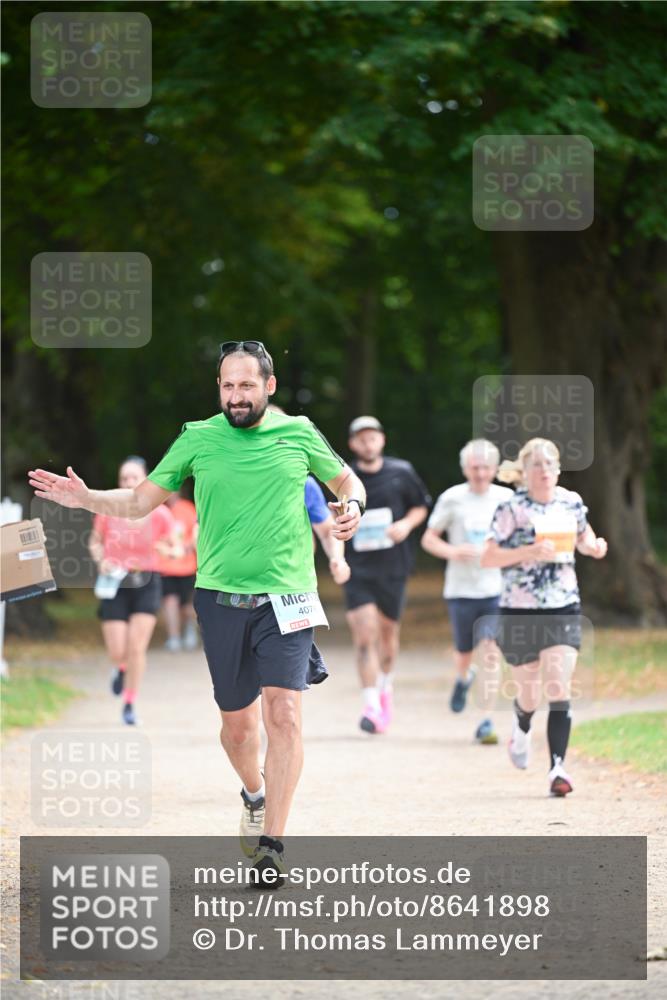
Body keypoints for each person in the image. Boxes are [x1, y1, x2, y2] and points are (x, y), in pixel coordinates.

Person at [29, 341, 364, 880]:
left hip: (289, 596)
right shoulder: (199, 438)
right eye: (227, 385)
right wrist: (87, 498)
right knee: (237, 729)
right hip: (219, 598)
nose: (236, 396)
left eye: (247, 385)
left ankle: (272, 846)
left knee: (285, 714)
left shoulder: (299, 433)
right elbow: (140, 503)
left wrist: (353, 506)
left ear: (269, 387)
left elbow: (347, 482)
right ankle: (254, 793)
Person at [480, 437, 607, 797]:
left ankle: (557, 769)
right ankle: (521, 727)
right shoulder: (512, 508)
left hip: (563, 605)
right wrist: (529, 550)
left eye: (550, 465)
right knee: (530, 693)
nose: (545, 472)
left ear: (558, 470)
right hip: (519, 609)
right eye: (537, 465)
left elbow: (584, 536)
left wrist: (593, 547)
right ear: (525, 471)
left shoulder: (571, 502)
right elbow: (488, 557)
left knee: (557, 685)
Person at [421, 439, 513, 745]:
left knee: (490, 651)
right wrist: (453, 550)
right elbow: (429, 539)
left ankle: (486, 720)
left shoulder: (507, 498)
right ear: (465, 468)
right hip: (460, 589)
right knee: (464, 654)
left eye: (486, 467)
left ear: (495, 469)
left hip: (495, 589)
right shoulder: (452, 498)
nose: (481, 472)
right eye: (475, 467)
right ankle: (463, 679)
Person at [343, 415, 431, 735]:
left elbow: (420, 506)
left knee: (388, 636)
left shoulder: (401, 472)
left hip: (394, 567)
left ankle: (384, 688)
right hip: (358, 569)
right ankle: (370, 705)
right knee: (365, 636)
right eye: (361, 439)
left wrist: (405, 526)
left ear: (382, 440)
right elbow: (332, 512)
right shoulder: (345, 477)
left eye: (373, 437)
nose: (368, 443)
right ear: (353, 444)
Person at [87, 455, 177, 725]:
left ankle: (129, 701)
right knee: (118, 650)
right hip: (115, 582)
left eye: (133, 477)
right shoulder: (107, 510)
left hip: (146, 582)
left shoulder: (159, 512)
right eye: (124, 478)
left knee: (137, 647)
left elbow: (176, 547)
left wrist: (167, 550)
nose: (128, 482)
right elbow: (95, 541)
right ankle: (120, 668)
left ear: (144, 481)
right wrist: (100, 559)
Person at [268, 404, 350, 587]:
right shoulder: (229, 480)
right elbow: (203, 529)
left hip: (292, 584)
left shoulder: (304, 484)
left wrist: (338, 559)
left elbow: (328, 531)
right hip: (238, 587)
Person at [156, 488, 199, 652]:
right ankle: (174, 637)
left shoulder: (187, 508)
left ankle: (189, 630)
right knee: (170, 602)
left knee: (188, 606)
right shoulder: (159, 510)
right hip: (165, 567)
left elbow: (196, 533)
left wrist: (187, 547)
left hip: (187, 567)